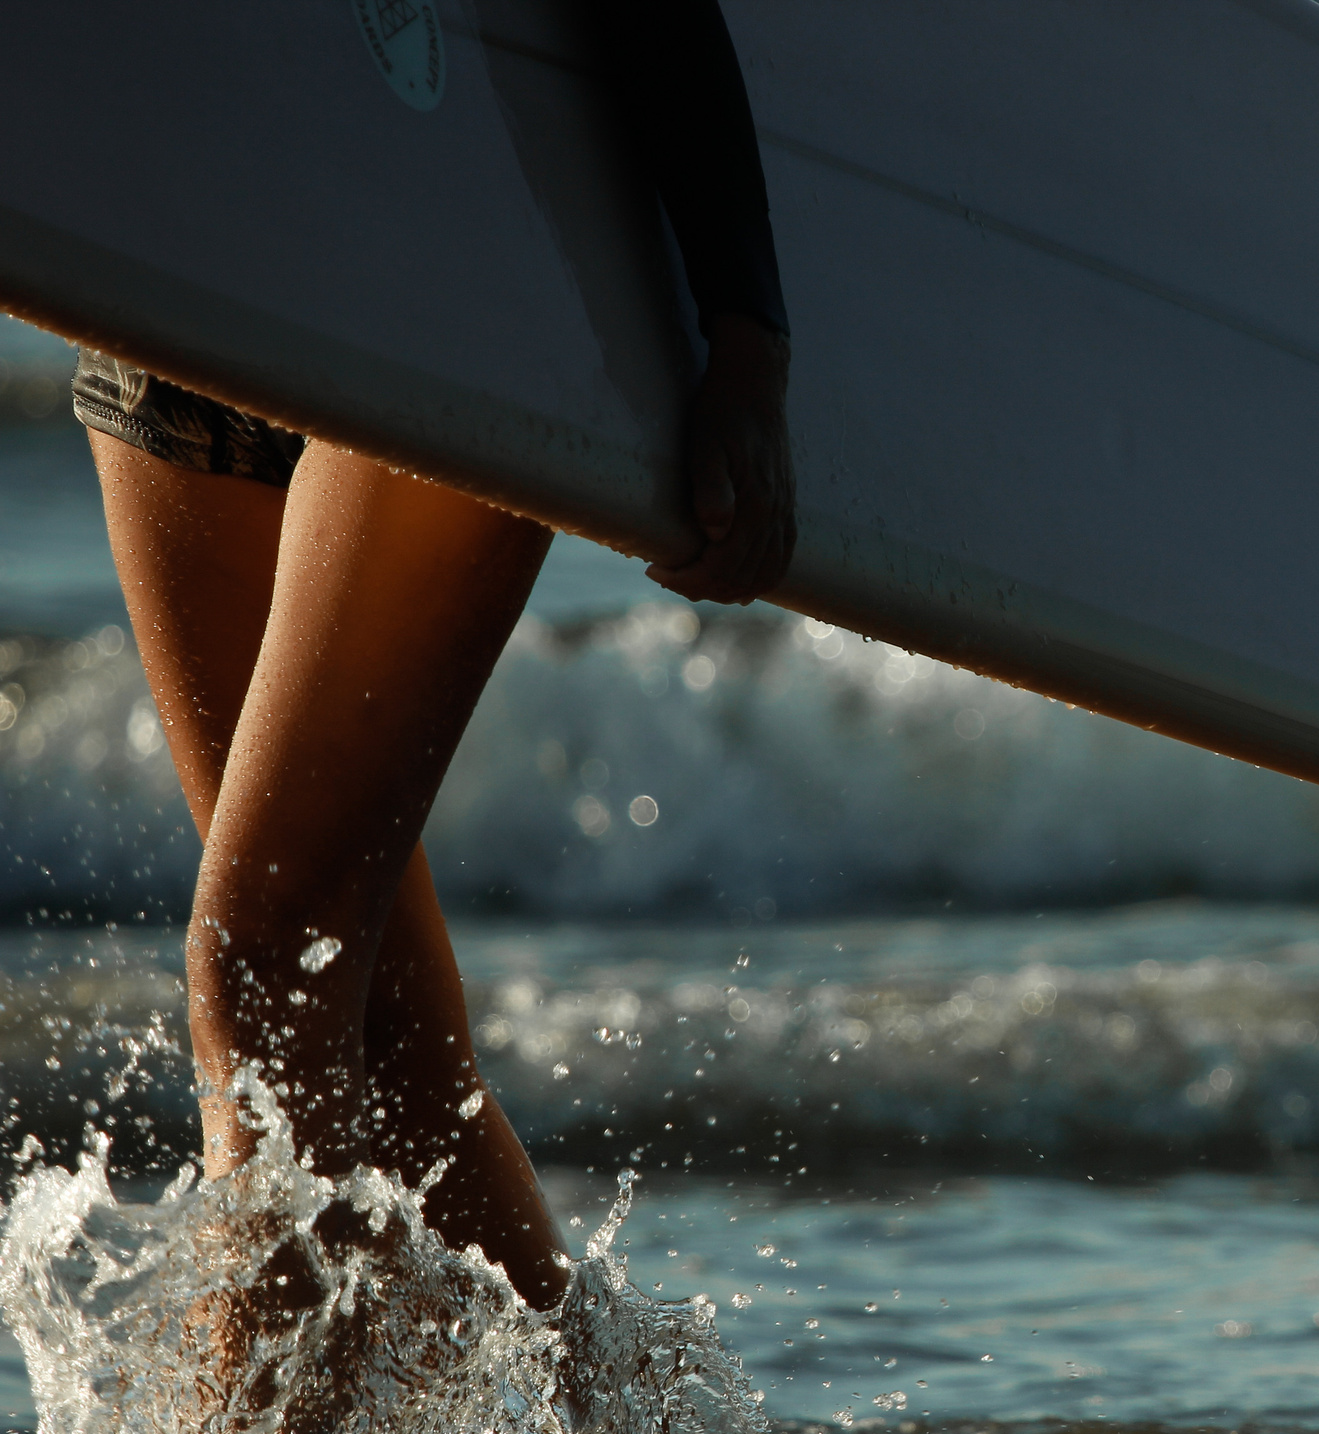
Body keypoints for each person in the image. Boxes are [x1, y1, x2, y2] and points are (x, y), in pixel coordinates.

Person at [71, 0, 794, 1311]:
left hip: (441, 264)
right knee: (387, 1047)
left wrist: (746, 338)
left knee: (260, 973)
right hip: (158, 281)